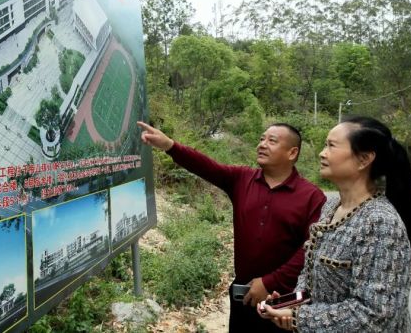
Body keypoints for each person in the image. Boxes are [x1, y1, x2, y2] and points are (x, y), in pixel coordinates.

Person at [137, 121, 326, 332]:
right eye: (261, 139)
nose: (262, 144)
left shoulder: (312, 197)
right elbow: (207, 167)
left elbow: (311, 249)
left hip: (285, 302)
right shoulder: (242, 179)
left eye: (272, 141)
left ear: (292, 152)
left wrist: (269, 282)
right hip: (243, 297)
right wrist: (170, 146)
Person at [258, 116, 411, 332]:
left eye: (331, 145)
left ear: (364, 159)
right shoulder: (331, 208)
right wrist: (294, 301)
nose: (322, 153)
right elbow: (312, 275)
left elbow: (375, 315)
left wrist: (300, 318)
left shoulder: (380, 222)